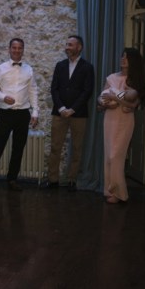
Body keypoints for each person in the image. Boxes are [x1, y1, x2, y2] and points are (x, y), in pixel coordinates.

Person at [0, 38, 39, 192]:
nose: (16, 50)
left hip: (23, 114)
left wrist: (35, 111)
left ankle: (12, 179)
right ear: (9, 49)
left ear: (23, 50)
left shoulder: (29, 69)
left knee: (18, 148)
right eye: (14, 48)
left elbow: (33, 90)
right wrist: (2, 97)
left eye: (20, 48)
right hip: (5, 114)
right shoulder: (1, 68)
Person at [98, 48, 145, 204]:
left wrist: (116, 98)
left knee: (116, 156)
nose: (123, 59)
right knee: (108, 156)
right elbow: (101, 98)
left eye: (126, 57)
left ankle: (119, 192)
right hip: (110, 119)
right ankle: (110, 190)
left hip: (125, 121)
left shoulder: (137, 80)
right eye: (122, 56)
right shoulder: (112, 77)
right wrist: (104, 103)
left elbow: (132, 106)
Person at [47, 35, 95, 191]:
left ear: (79, 47)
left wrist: (72, 109)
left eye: (70, 44)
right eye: (66, 44)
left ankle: (72, 179)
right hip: (59, 113)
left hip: (78, 114)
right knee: (55, 147)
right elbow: (54, 89)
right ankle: (52, 179)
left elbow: (87, 91)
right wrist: (61, 108)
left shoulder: (87, 67)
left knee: (77, 148)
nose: (67, 47)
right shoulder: (60, 65)